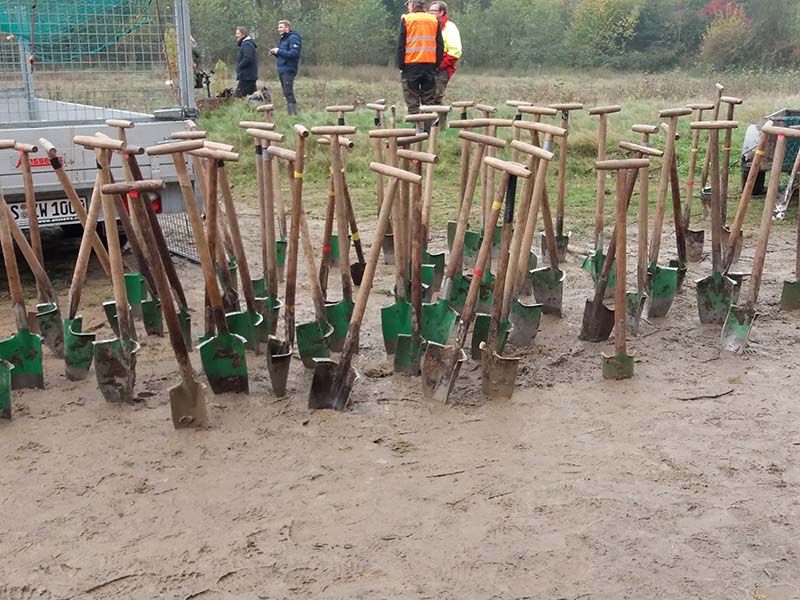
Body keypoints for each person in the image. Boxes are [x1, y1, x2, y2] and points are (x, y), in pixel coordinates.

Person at [396, 0, 443, 116]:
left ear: (412, 5)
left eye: (408, 5)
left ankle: (416, 130)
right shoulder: (434, 20)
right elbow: (440, 45)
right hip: (430, 64)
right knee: (429, 100)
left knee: (412, 100)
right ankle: (428, 130)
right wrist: (436, 64)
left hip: (411, 64)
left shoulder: (407, 19)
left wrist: (400, 65)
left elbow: (401, 45)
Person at [428, 1, 461, 105]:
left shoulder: (450, 27)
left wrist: (439, 66)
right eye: (429, 11)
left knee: (436, 97)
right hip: (430, 67)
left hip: (443, 68)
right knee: (427, 98)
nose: (430, 13)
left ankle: (441, 120)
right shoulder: (430, 26)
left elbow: (455, 52)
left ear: (441, 12)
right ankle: (431, 120)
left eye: (433, 11)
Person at [270, 20, 302, 115]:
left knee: (288, 92)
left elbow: (294, 54)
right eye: (278, 27)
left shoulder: (293, 38)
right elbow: (284, 55)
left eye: (281, 27)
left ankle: (293, 114)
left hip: (289, 69)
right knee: (286, 92)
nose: (278, 29)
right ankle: (290, 114)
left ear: (287, 28)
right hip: (282, 68)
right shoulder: (283, 39)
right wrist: (275, 53)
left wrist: (279, 51)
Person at [234, 26, 258, 98]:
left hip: (246, 76)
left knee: (238, 96)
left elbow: (248, 58)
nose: (236, 35)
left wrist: (239, 66)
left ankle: (238, 109)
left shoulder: (246, 44)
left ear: (243, 34)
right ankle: (261, 108)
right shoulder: (247, 44)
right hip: (250, 76)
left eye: (238, 33)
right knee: (254, 97)